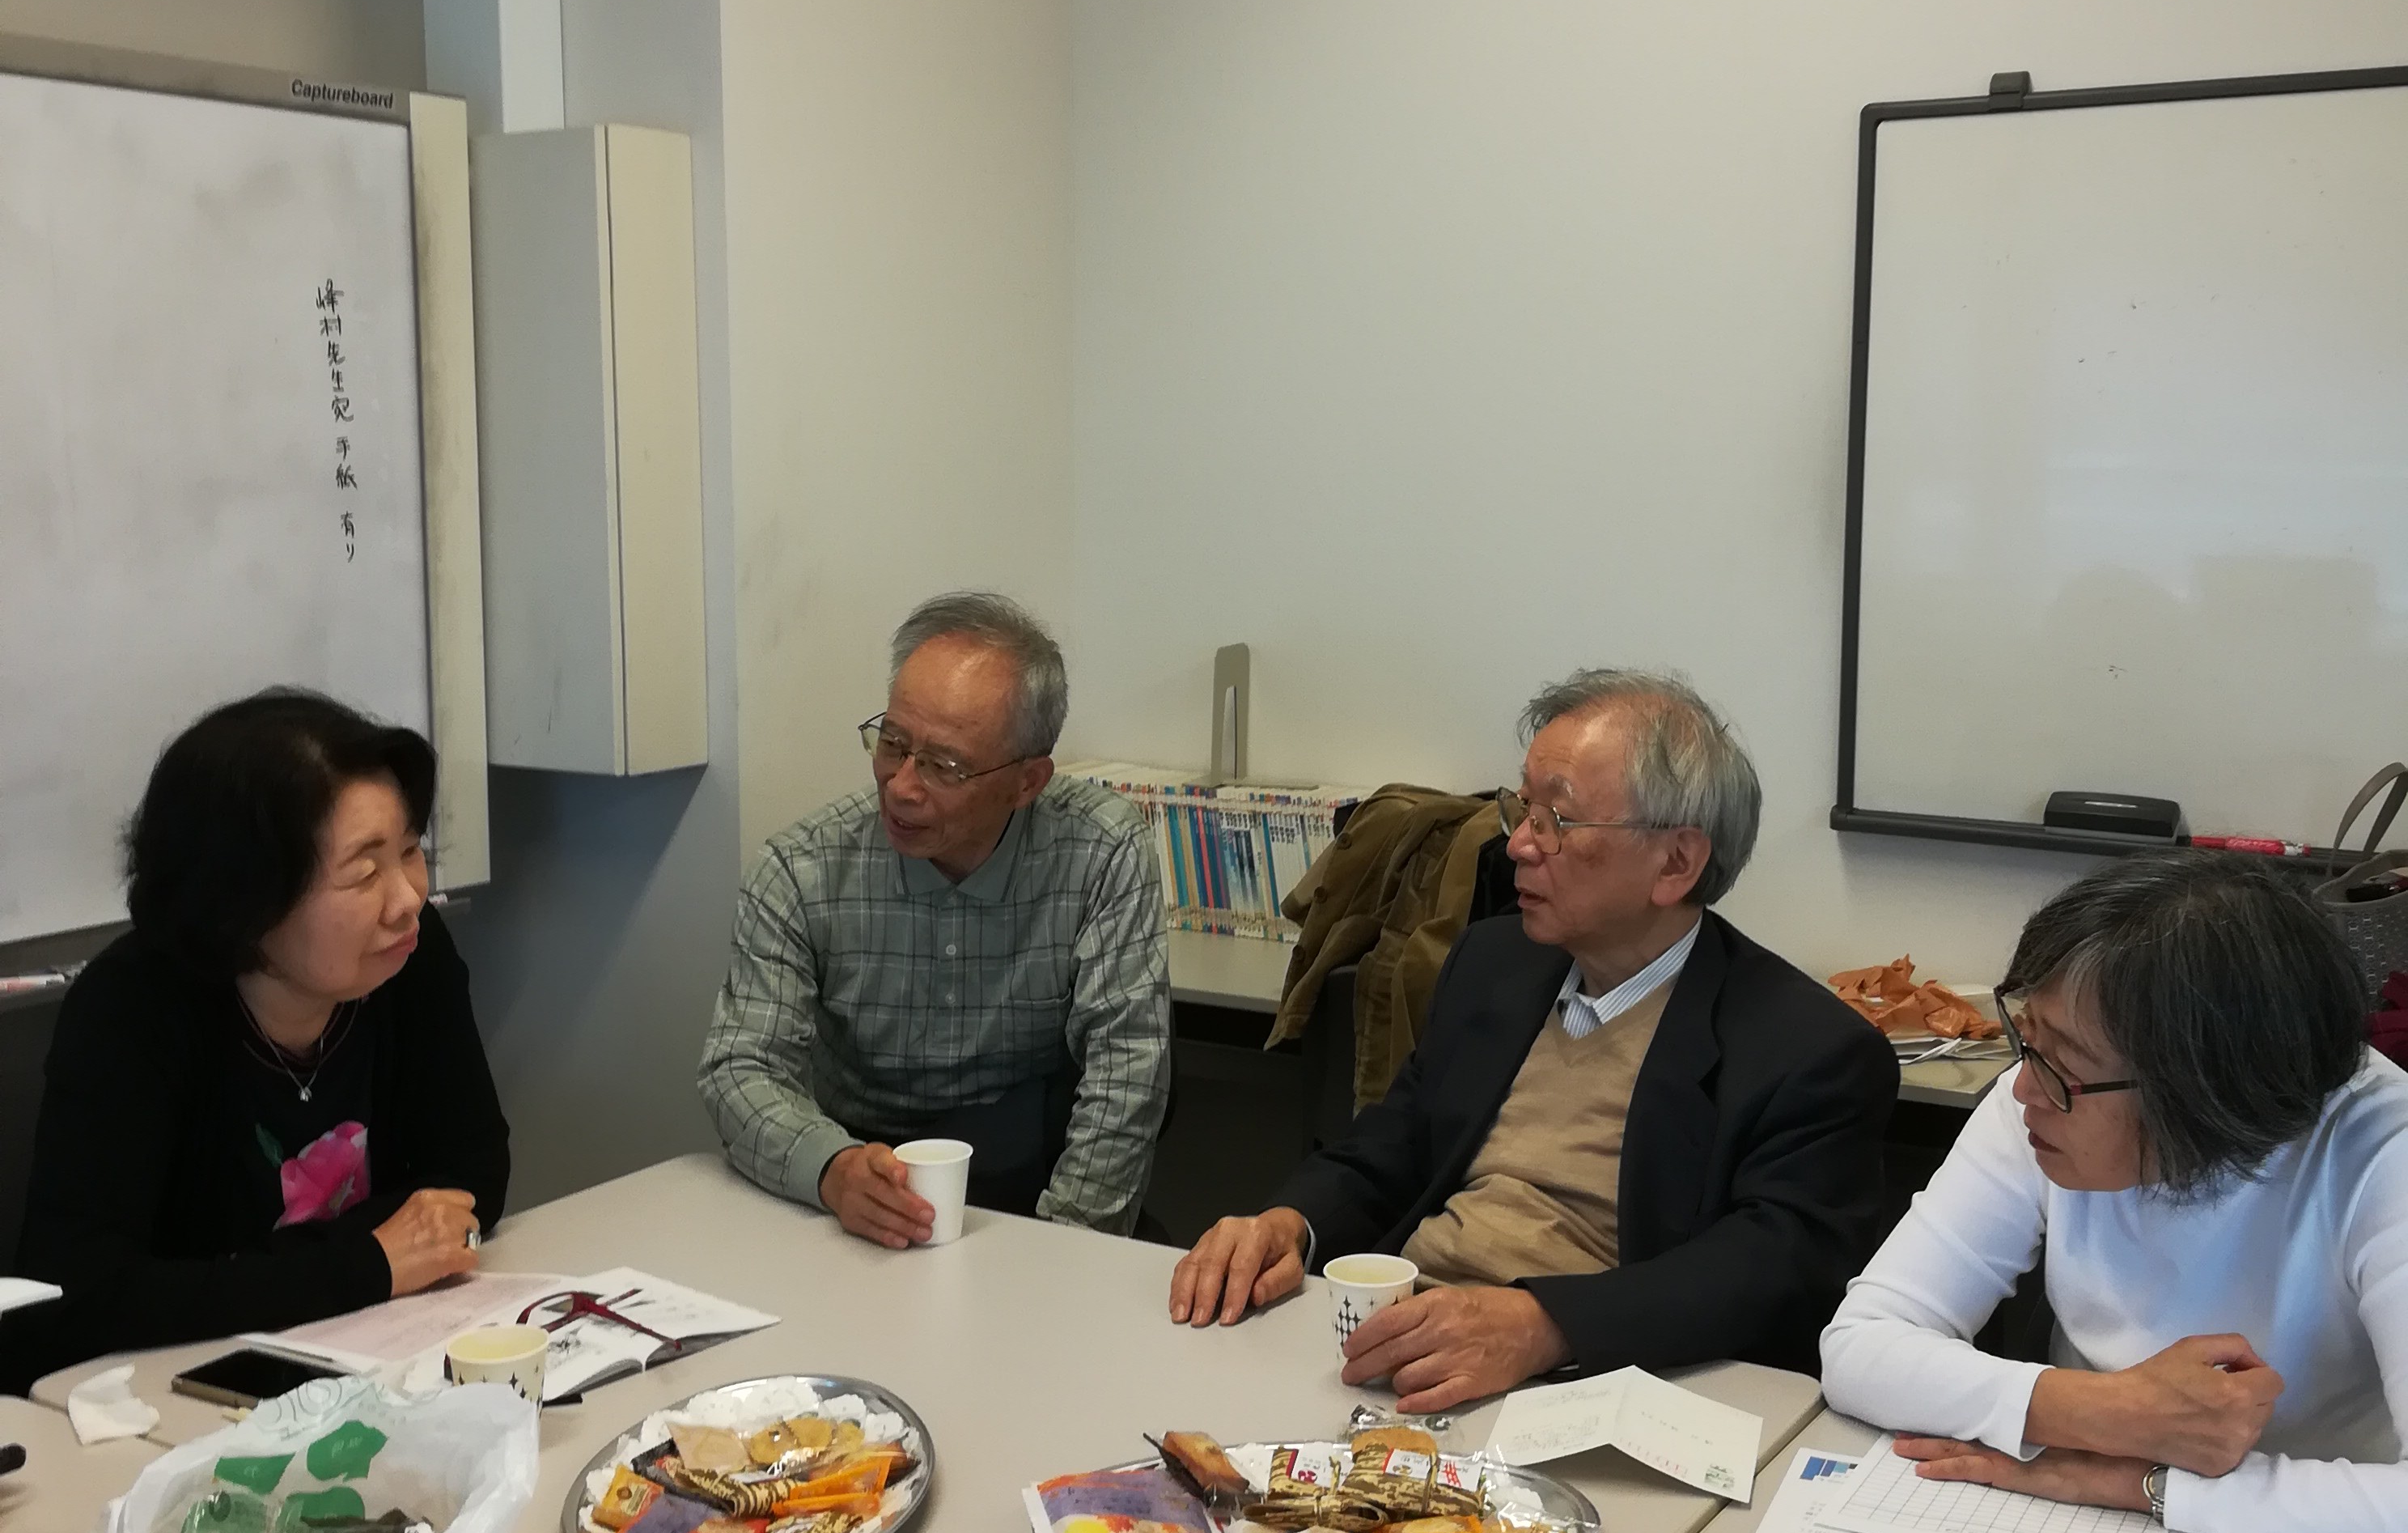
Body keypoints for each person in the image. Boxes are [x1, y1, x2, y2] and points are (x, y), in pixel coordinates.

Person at [1169, 669, 1899, 1408]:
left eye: (1558, 819)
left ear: (1676, 862)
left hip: (1589, 1383)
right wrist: (1290, 1223)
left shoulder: (1805, 1048)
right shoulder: (1496, 963)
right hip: (1406, 1341)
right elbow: (1396, 1143)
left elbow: (1773, 1272)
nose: (1518, 844)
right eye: (1522, 807)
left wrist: (1546, 1325)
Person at [1821, 851, 2408, 1533]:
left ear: (2203, 1093)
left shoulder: (2383, 1150)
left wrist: (2145, 1484)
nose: (2022, 1089)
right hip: (2076, 1519)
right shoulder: (2039, 1098)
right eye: (2028, 1038)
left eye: (2061, 1063)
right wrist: (2103, 1410)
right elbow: (1860, 1347)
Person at [8, 690, 507, 1388]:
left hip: (370, 1357)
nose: (407, 899)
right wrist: (366, 1262)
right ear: (246, 902)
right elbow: (79, 1293)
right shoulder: (130, 1010)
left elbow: (473, 1171)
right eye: (366, 872)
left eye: (409, 851)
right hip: (167, 1394)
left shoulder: (405, 960)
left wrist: (282, 1277)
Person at [700, 592, 1170, 1242]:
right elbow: (741, 1067)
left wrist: (1066, 1243)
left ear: (1028, 782)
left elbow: (1127, 1072)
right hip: (859, 1168)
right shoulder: (801, 870)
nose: (902, 786)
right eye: (892, 743)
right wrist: (830, 1168)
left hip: (1031, 1170)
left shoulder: (1101, 852)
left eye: (944, 766)